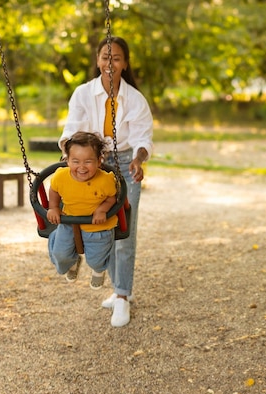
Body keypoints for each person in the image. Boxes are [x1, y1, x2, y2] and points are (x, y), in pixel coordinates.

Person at [59, 36, 154, 327]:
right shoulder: (83, 94)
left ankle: (122, 295)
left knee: (124, 227)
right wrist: (72, 159)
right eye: (104, 57)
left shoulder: (135, 100)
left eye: (115, 58)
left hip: (125, 163)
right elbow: (72, 130)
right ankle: (85, 264)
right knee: (84, 217)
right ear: (97, 61)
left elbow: (141, 139)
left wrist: (138, 160)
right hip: (92, 162)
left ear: (124, 64)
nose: (109, 63)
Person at [47, 131, 118, 293]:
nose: (81, 167)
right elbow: (54, 191)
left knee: (96, 259)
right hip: (69, 222)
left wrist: (102, 210)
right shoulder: (61, 176)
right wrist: (54, 207)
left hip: (97, 226)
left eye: (88, 161)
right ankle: (72, 261)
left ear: (99, 161)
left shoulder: (105, 180)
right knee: (61, 254)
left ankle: (98, 269)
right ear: (67, 160)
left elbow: (112, 198)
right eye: (75, 161)